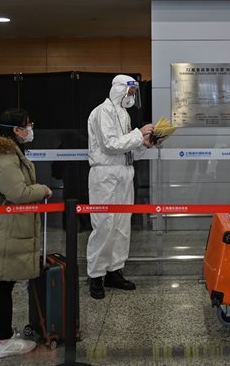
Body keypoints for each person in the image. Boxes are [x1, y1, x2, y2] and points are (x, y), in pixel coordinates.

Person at [0, 108, 52, 358]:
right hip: (7, 228)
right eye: (27, 125)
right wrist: (43, 190)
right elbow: (19, 194)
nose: (30, 129)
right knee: (3, 284)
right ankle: (4, 342)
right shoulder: (5, 159)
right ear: (16, 130)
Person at [86, 75, 155, 299]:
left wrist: (145, 143)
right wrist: (139, 133)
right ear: (119, 90)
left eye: (134, 94)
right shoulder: (101, 112)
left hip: (124, 173)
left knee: (122, 226)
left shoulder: (124, 114)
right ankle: (95, 276)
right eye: (131, 93)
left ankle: (114, 271)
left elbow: (128, 150)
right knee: (104, 225)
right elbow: (110, 144)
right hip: (105, 175)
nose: (132, 97)